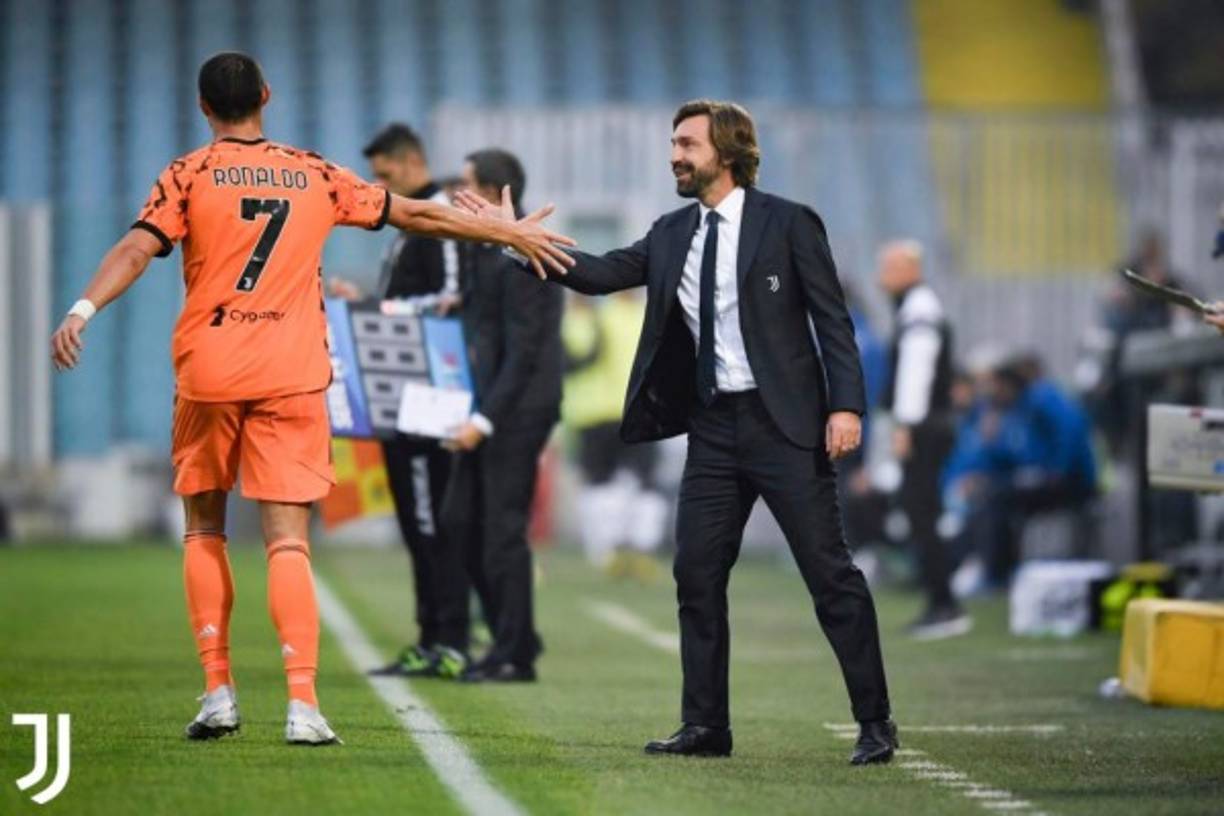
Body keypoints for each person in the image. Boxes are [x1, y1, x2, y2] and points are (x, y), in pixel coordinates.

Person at [48, 52, 573, 745]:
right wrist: (507, 230)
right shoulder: (313, 173)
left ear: (204, 108)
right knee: (287, 541)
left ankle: (218, 693)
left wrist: (83, 309)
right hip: (291, 374)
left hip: (208, 370)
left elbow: (137, 249)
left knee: (205, 528)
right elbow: (417, 215)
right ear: (266, 96)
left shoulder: (187, 174)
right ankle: (303, 705)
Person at [457, 99, 896, 764]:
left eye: (686, 144)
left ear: (726, 150)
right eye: (673, 144)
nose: (674, 155)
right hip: (714, 429)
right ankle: (706, 726)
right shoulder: (669, 233)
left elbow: (833, 322)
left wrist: (847, 407)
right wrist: (517, 239)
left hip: (785, 428)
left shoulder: (789, 222)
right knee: (695, 572)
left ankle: (874, 721)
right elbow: (600, 273)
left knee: (829, 575)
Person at [330, 123, 469, 681]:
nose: (379, 183)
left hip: (428, 396)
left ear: (411, 161)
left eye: (385, 173)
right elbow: (417, 302)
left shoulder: (439, 217)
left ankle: (448, 641)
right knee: (417, 522)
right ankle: (432, 638)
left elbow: (452, 299)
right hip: (401, 393)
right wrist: (368, 304)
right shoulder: (411, 223)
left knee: (432, 518)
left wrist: (378, 312)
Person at [437, 149, 564, 682]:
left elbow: (526, 349)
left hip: (517, 409)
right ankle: (514, 636)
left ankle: (515, 654)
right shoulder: (485, 247)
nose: (456, 195)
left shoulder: (523, 248)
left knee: (502, 531)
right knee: (459, 522)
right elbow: (487, 319)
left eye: (466, 185)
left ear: (493, 193)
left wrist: (482, 422)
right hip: (489, 403)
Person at [877, 240, 969, 640]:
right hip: (927, 426)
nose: (882, 278)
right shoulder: (915, 307)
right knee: (920, 513)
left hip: (924, 429)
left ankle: (944, 605)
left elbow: (917, 370)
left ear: (910, 269)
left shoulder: (919, 308)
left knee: (922, 514)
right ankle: (939, 602)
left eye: (889, 268)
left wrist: (905, 425)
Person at [562, 292, 668, 579]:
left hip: (595, 413)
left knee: (602, 482)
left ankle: (610, 551)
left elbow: (572, 356)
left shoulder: (593, 314)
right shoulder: (652, 316)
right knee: (644, 484)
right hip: (637, 411)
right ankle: (637, 550)